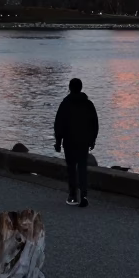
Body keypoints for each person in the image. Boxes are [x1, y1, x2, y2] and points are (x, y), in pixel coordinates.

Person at [54, 77, 99, 207]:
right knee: (82, 168)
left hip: (69, 141)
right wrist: (92, 140)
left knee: (71, 169)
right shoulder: (88, 104)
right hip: (83, 141)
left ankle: (73, 195)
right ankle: (84, 195)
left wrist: (58, 141)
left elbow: (59, 124)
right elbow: (94, 123)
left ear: (69, 88)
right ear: (81, 88)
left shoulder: (65, 103)